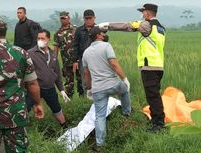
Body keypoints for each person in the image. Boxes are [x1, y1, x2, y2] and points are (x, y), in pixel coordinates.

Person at [0, 18, 44, 153]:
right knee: (18, 149)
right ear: (4, 33)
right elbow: (32, 83)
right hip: (15, 112)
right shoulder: (21, 53)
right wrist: (38, 103)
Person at [98, 3, 166, 132]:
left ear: (148, 13)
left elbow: (128, 26)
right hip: (158, 66)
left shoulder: (147, 25)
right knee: (154, 95)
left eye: (143, 12)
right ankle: (156, 121)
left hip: (149, 66)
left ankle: (158, 125)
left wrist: (108, 25)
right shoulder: (160, 27)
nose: (142, 14)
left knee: (152, 96)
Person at [82, 27, 131, 151]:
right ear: (98, 35)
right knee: (124, 91)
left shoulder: (86, 52)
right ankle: (126, 113)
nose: (104, 35)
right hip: (113, 83)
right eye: (102, 33)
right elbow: (114, 64)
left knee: (100, 116)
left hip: (97, 89)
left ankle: (100, 145)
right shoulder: (106, 46)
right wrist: (124, 78)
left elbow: (86, 74)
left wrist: (89, 88)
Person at [27, 29, 70, 128]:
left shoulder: (52, 54)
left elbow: (57, 74)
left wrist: (62, 90)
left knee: (56, 108)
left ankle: (65, 127)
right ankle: (21, 129)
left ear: (48, 40)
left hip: (50, 88)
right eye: (38, 38)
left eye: (43, 38)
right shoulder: (30, 53)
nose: (40, 40)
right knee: (25, 107)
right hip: (35, 88)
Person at [53, 11, 84, 98]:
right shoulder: (58, 33)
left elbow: (81, 44)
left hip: (77, 60)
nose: (63, 20)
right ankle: (69, 99)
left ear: (68, 18)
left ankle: (83, 98)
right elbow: (56, 47)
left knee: (81, 80)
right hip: (66, 62)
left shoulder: (76, 29)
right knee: (68, 82)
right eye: (61, 18)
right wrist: (54, 60)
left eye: (64, 18)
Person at [71, 9, 96, 96]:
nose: (88, 20)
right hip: (83, 59)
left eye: (90, 18)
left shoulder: (98, 29)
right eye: (86, 18)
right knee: (85, 81)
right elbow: (75, 45)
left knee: (97, 81)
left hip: (97, 59)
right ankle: (88, 101)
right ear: (83, 19)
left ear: (94, 18)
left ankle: (98, 101)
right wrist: (74, 60)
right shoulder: (79, 30)